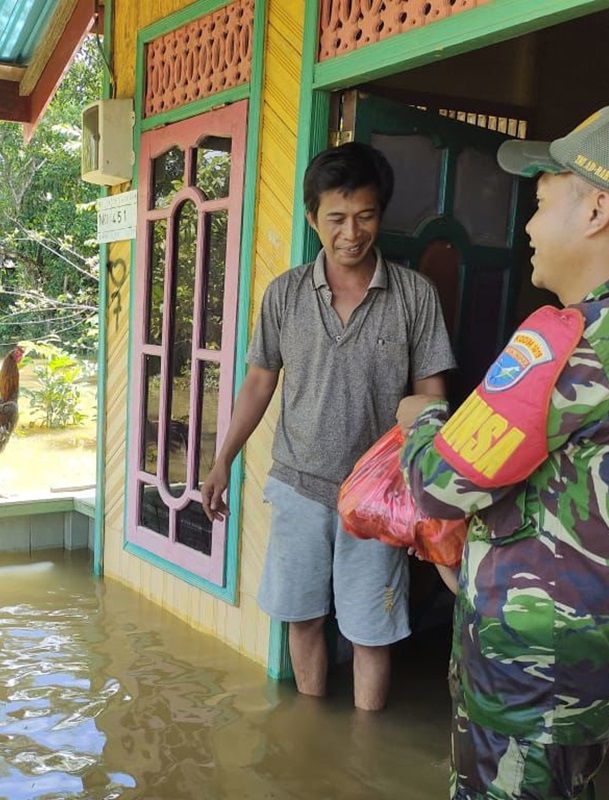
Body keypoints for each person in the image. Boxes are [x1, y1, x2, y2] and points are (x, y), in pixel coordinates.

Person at [397, 103, 609, 799]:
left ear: (596, 210)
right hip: (591, 667)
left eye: (540, 201)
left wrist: (421, 417)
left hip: (526, 672)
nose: (525, 226)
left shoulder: (572, 340)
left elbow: (437, 484)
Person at [200, 142, 456, 710]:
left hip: (378, 499)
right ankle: (311, 734)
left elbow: (433, 400)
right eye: (336, 218)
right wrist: (224, 458)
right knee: (305, 620)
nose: (351, 233)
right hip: (298, 488)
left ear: (381, 215)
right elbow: (260, 383)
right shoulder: (284, 294)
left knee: (371, 633)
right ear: (312, 216)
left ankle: (362, 751)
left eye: (365, 216)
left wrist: (424, 499)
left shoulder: (415, 296)